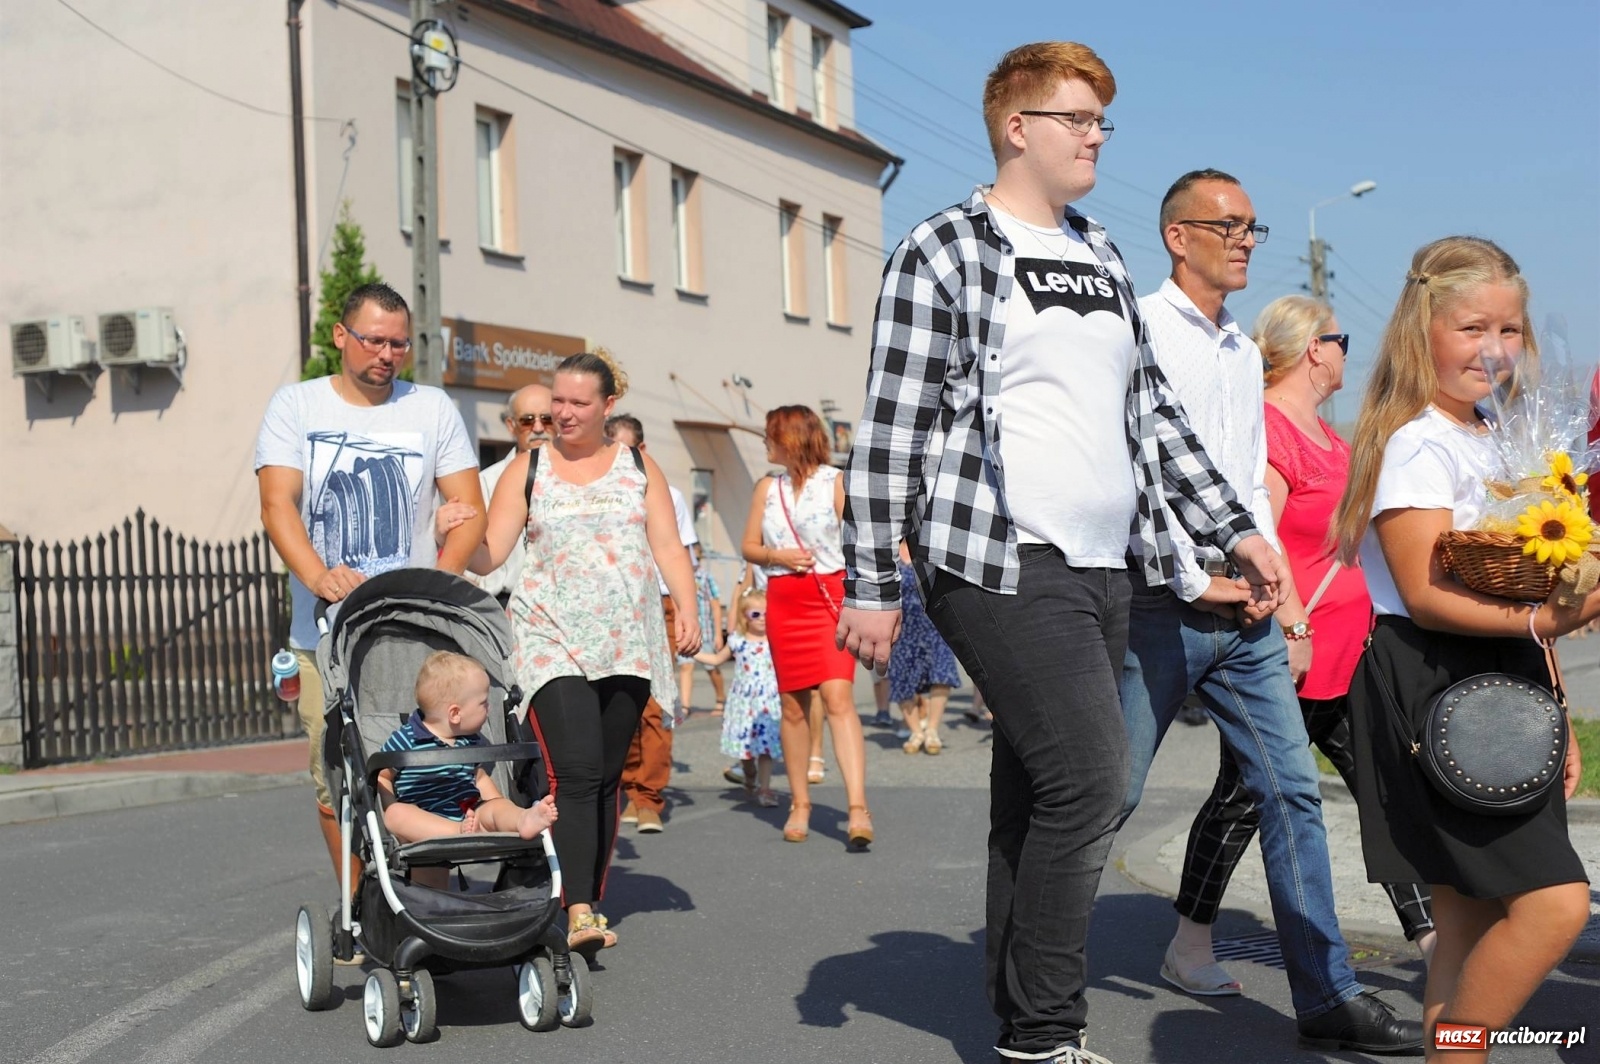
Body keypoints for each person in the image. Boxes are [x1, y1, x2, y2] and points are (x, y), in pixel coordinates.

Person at [836, 43, 1288, 1064]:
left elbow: (1153, 412)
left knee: (1038, 791)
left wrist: (1236, 526)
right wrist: (870, 579)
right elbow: (891, 426)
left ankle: (1013, 1008)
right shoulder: (945, 247)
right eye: (1076, 118)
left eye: (1100, 122)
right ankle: (1046, 1031)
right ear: (1016, 127)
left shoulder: (1101, 253)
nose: (1094, 136)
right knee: (1091, 778)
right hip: (995, 556)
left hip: (1105, 562)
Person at [1114, 170, 1422, 1053]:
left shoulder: (1240, 354)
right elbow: (1132, 469)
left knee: (1291, 793)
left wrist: (1281, 606)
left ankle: (1327, 999)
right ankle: (1034, 983)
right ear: (1179, 236)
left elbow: (1247, 489)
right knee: (1108, 795)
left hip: (1246, 609)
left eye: (1254, 226)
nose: (1249, 239)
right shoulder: (1139, 328)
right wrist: (1187, 574)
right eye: (1230, 225)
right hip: (1160, 601)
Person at [1334, 236, 1591, 1061]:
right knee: (1557, 906)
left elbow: (1515, 588)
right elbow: (1423, 594)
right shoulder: (1418, 442)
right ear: (1423, 333)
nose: (1494, 348)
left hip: (1501, 683)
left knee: (1466, 917)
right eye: (1472, 327)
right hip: (1433, 684)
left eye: (1510, 330)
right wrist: (1541, 628)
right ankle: (1465, 1047)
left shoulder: (1500, 442)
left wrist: (1550, 694)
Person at [1165, 295, 1437, 991]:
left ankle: (1434, 941)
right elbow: (1263, 542)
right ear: (1314, 348)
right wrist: (1293, 627)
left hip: (1349, 654)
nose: (1350, 349)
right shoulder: (1270, 435)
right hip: (1290, 652)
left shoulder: (1333, 439)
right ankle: (1190, 943)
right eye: (1340, 338)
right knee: (1242, 800)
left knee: (1383, 790)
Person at [255, 281, 485, 905]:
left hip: (412, 632)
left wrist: (443, 580)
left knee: (423, 773)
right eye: (374, 340)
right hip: (326, 634)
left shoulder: (431, 408)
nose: (386, 354)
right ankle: (360, 904)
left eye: (399, 344)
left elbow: (468, 510)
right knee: (336, 780)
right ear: (341, 336)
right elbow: (278, 506)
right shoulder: (296, 407)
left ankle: (424, 900)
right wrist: (317, 577)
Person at [467, 352, 700, 960]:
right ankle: (576, 908)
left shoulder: (637, 467)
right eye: (556, 402)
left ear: (606, 406)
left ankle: (587, 895)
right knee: (571, 771)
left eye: (576, 404)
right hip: (550, 637)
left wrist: (691, 608)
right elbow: (489, 553)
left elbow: (669, 548)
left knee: (602, 777)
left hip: (626, 637)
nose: (561, 414)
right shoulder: (529, 467)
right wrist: (455, 530)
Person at [742, 405, 870, 847]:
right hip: (784, 599)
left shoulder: (834, 482)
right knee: (793, 706)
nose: (765, 442)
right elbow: (749, 547)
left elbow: (857, 542)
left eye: (770, 435)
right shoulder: (768, 487)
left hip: (828, 596)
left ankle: (857, 808)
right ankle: (801, 802)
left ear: (791, 439)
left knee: (838, 696)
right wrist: (778, 556)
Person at [606, 412, 699, 834]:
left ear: (643, 450)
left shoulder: (669, 494)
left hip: (658, 602)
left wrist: (686, 609)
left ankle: (649, 797)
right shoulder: (603, 489)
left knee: (656, 706)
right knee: (618, 700)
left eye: (629, 450)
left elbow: (684, 555)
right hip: (614, 606)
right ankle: (626, 786)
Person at [377, 651, 559, 850]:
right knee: (395, 814)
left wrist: (497, 806)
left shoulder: (471, 740)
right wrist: (389, 805)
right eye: (483, 703)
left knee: (497, 806)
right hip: (425, 819)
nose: (489, 708)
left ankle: (522, 819)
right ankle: (456, 833)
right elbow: (383, 776)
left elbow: (479, 779)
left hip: (469, 812)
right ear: (455, 713)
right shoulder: (407, 738)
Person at [697, 588, 783, 807]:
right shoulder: (737, 641)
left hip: (767, 703)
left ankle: (765, 789)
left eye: (766, 613)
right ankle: (749, 773)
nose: (762, 618)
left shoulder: (774, 640)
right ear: (745, 617)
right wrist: (692, 652)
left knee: (765, 749)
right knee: (746, 751)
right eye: (756, 614)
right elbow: (716, 659)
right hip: (743, 704)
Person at [475, 384, 554, 607]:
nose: (538, 428)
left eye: (547, 419)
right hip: (502, 603)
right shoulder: (486, 481)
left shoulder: (575, 480)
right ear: (511, 425)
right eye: (527, 420)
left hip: (558, 604)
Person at [888, 541, 961, 755]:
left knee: (941, 673)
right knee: (902, 678)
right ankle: (915, 731)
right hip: (902, 628)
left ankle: (932, 730)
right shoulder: (890, 551)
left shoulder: (931, 545)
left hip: (933, 624)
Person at [679, 544, 726, 715]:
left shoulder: (705, 577)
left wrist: (718, 634)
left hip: (705, 631)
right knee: (686, 666)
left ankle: (720, 697)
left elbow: (715, 606)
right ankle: (685, 705)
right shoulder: (678, 576)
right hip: (685, 631)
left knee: (711, 667)